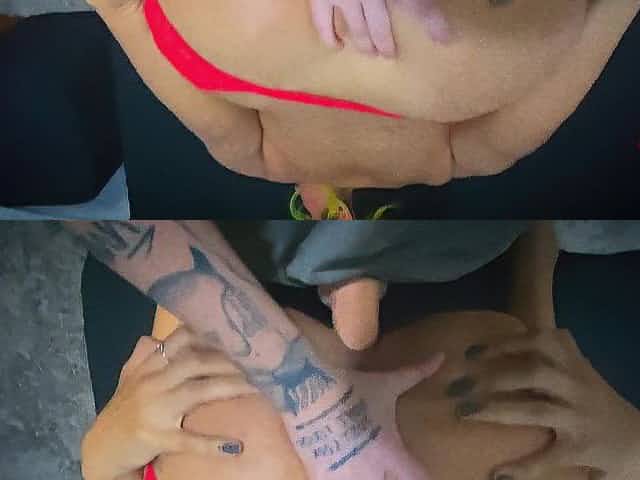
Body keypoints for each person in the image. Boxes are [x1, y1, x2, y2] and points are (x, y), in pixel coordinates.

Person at [80, 269, 640, 480]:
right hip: (463, 286)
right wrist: (631, 447)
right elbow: (535, 346)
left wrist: (104, 451)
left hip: (219, 287)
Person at [85, 0, 640, 206]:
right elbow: (123, 11)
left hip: (450, 61)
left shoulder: (452, 161)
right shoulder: (257, 159)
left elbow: (600, 25)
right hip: (252, 46)